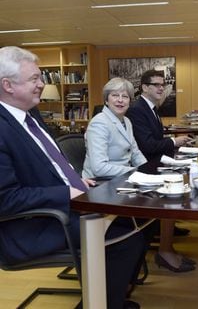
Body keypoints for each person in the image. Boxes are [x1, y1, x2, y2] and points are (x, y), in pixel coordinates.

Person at [0, 46, 145, 308]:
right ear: (7, 85)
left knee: (130, 221)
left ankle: (106, 298)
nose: (42, 85)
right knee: (126, 237)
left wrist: (77, 181)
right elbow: (5, 199)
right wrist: (64, 192)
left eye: (41, 77)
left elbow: (49, 164)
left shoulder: (31, 115)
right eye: (34, 79)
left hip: (59, 208)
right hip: (30, 226)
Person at [126, 69, 195, 272]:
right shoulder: (138, 109)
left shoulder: (152, 108)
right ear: (144, 87)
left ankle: (168, 245)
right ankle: (165, 251)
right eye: (156, 84)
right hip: (147, 168)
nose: (161, 88)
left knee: (185, 176)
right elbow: (147, 146)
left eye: (162, 84)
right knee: (176, 187)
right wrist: (174, 141)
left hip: (154, 163)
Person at [82, 77, 147, 179]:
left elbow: (135, 153)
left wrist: (147, 170)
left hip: (122, 178)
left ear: (130, 101)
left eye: (125, 96)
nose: (120, 100)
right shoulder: (99, 123)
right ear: (106, 100)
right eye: (115, 95)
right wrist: (133, 171)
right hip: (101, 183)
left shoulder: (127, 121)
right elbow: (99, 168)